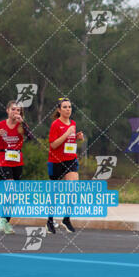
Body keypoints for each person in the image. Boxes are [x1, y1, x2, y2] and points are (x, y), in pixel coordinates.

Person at [0, 101, 35, 234]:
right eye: (13, 109)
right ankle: (2, 219)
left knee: (13, 195)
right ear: (7, 110)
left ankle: (6, 221)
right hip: (3, 161)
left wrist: (23, 123)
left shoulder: (21, 126)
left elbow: (31, 138)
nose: (16, 112)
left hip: (17, 162)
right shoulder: (0, 125)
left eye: (18, 110)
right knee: (10, 188)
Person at [46, 98, 84, 234]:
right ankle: (49, 220)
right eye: (65, 107)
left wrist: (77, 137)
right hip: (56, 161)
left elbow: (69, 142)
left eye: (69, 107)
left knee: (73, 190)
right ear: (59, 110)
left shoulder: (72, 123)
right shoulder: (55, 124)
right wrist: (67, 133)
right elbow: (53, 144)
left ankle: (66, 219)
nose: (68, 109)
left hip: (70, 160)